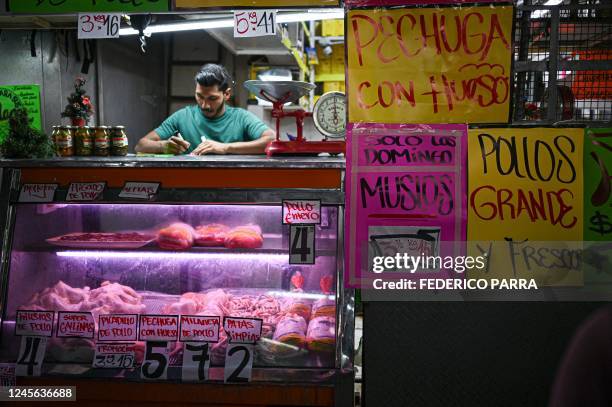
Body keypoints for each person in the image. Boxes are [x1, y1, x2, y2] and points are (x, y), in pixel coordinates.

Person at [135, 64, 275, 155]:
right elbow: (141, 145)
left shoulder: (241, 118)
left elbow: (271, 140)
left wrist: (225, 148)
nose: (204, 105)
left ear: (226, 94)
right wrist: (164, 146)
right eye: (199, 96)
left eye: (212, 99)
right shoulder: (183, 117)